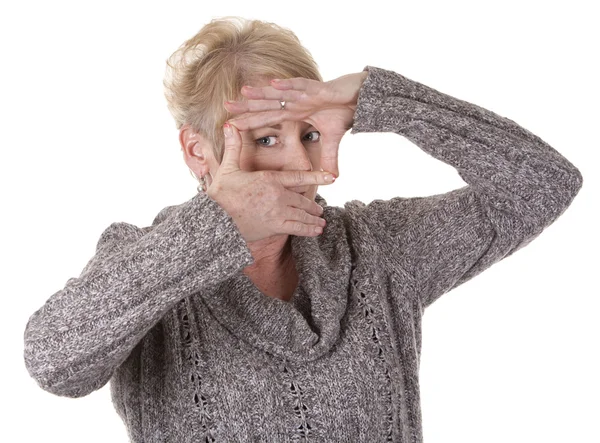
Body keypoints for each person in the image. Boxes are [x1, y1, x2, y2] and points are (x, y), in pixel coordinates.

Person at [23, 16, 583, 443]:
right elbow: (53, 362)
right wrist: (217, 226)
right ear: (199, 152)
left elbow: (542, 183)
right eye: (267, 138)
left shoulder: (379, 247)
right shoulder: (145, 263)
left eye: (310, 132)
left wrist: (380, 101)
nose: (301, 162)